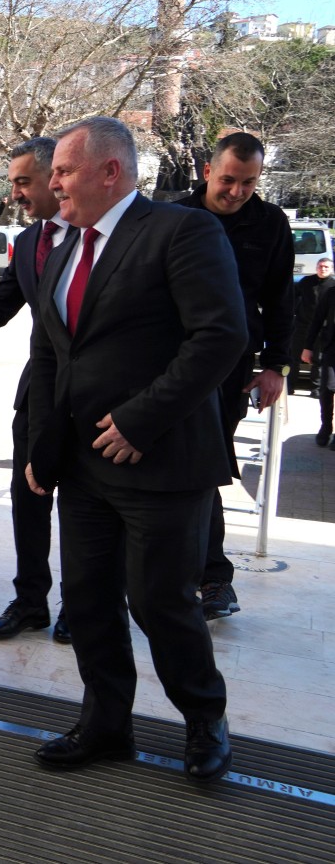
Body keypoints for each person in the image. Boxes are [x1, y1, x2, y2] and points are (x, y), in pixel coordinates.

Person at [26, 117, 247, 784]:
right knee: (88, 599)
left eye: (63, 171)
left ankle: (204, 720)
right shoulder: (63, 246)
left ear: (110, 171)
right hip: (82, 466)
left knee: (160, 602)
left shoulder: (181, 231)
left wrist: (139, 421)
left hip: (160, 462)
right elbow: (50, 354)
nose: (53, 184)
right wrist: (42, 447)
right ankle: (105, 724)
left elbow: (219, 336)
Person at [175, 132, 294, 620]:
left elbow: (281, 299)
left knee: (205, 465)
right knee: (164, 466)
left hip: (230, 368)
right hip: (169, 361)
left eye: (249, 183)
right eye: (228, 180)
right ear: (207, 171)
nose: (237, 191)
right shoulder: (174, 216)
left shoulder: (270, 223)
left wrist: (276, 366)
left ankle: (213, 579)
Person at [0, 137, 73, 644]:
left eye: (22, 182)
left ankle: (81, 604)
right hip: (38, 393)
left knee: (81, 504)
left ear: (55, 178)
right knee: (28, 497)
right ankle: (31, 601)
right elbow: (1, 306)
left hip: (91, 398)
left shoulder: (100, 238)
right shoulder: (32, 240)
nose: (14, 194)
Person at [294, 257, 334, 405]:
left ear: (331, 269)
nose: (323, 269)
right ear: (316, 267)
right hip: (302, 325)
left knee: (318, 359)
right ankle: (289, 385)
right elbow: (293, 296)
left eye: (326, 267)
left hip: (322, 329)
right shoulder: (306, 282)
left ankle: (316, 388)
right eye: (320, 266)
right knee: (293, 356)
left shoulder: (333, 286)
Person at [302, 279, 335, 446]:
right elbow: (317, 320)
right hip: (332, 348)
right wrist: (308, 346)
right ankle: (326, 426)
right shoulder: (331, 293)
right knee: (327, 387)